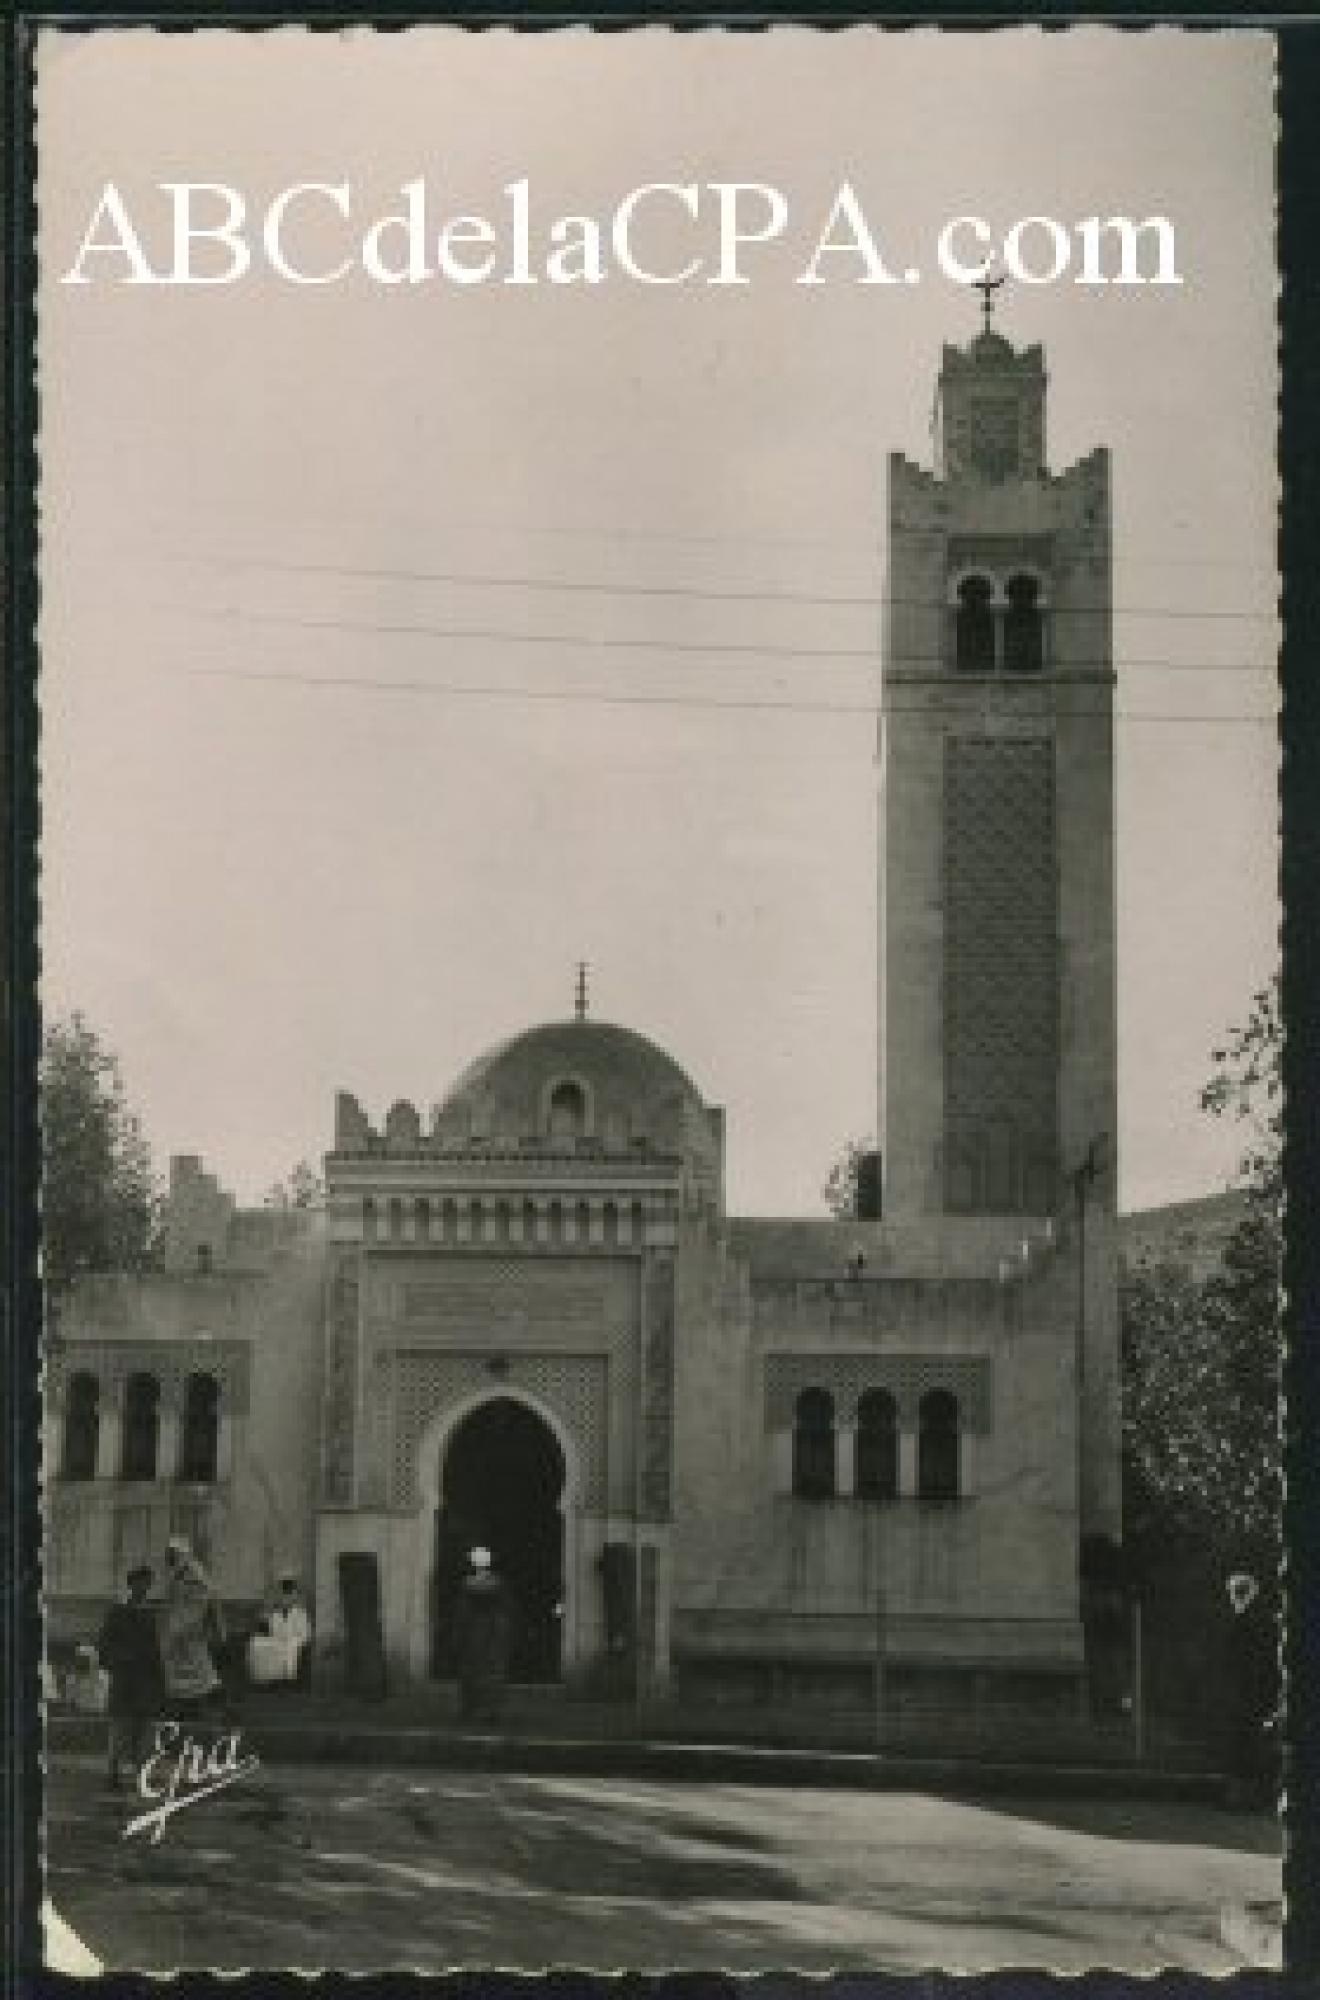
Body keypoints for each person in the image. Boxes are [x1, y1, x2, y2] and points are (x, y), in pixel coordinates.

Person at [96, 1563, 165, 1791]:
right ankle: (113, 1771)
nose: (143, 1587)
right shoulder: (118, 1611)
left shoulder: (153, 1613)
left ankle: (141, 1772)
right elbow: (105, 1644)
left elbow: (159, 1646)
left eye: (147, 1583)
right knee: (120, 1727)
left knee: (146, 1729)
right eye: (139, 1582)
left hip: (147, 1679)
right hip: (125, 1677)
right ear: (131, 1584)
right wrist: (120, 1660)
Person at [1224, 1570, 1276, 1809]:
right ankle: (1247, 1797)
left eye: (1237, 1592)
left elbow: (1245, 1661)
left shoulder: (1246, 1621)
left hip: (1246, 1692)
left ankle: (1243, 1798)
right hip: (1252, 1692)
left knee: (1244, 1745)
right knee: (1248, 1744)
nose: (1233, 1597)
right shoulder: (1257, 1619)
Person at [160, 1535, 223, 1721]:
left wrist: (190, 1620)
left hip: (190, 1626)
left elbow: (203, 1598)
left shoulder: (193, 1572)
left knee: (197, 1663)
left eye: (172, 1554)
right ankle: (183, 1703)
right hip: (177, 1625)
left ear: (181, 1553)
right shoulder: (176, 1572)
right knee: (178, 1663)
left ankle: (203, 1704)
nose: (168, 1557)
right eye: (168, 1554)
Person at [453, 1546, 512, 1724]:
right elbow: (505, 1608)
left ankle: (472, 1708)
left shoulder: (467, 1583)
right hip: (492, 1629)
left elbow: (462, 1611)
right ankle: (489, 1709)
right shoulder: (497, 1582)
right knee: (491, 1669)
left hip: (474, 1630)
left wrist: (458, 1632)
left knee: (472, 1669)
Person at [247, 1575, 313, 1688]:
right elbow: (271, 1630)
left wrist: (294, 1640)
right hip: (278, 1640)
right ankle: (265, 1679)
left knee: (289, 1648)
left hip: (294, 1642)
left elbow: (306, 1634)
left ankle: (287, 1679)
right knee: (256, 1643)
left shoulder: (301, 1613)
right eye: (283, 1596)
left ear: (294, 1596)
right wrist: (265, 1621)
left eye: (289, 1596)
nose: (285, 1599)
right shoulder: (276, 1613)